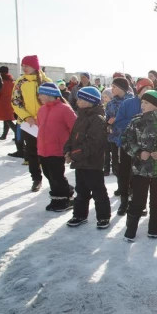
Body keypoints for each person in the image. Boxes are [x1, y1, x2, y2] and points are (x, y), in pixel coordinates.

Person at [121, 90, 157, 242]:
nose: (142, 105)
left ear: (155, 105)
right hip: (140, 170)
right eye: (142, 102)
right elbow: (126, 140)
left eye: (146, 102)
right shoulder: (135, 121)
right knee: (137, 200)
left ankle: (153, 228)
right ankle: (131, 229)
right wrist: (138, 152)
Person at [64, 87, 111, 228]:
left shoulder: (97, 119)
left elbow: (92, 144)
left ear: (90, 102)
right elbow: (72, 137)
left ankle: (103, 217)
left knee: (98, 191)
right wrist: (67, 150)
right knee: (81, 191)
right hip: (80, 162)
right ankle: (79, 215)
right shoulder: (82, 116)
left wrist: (73, 155)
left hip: (92, 163)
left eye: (81, 99)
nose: (77, 101)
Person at [11, 55, 52, 191]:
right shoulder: (20, 82)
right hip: (28, 124)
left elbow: (53, 101)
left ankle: (53, 178)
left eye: (26, 65)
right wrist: (27, 117)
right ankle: (36, 179)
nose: (24, 68)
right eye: (23, 65)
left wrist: (41, 118)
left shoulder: (46, 81)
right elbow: (15, 101)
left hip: (45, 123)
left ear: (35, 66)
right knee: (31, 152)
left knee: (47, 152)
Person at [114, 78, 154, 216]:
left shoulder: (153, 106)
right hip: (126, 145)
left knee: (141, 176)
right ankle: (124, 201)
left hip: (144, 147)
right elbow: (118, 123)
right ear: (139, 89)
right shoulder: (127, 103)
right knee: (124, 174)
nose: (148, 93)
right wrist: (135, 121)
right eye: (145, 89)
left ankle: (140, 203)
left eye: (150, 90)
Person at [36, 83, 77, 212]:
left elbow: (75, 129)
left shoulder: (64, 109)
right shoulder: (42, 109)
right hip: (43, 149)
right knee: (48, 174)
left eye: (41, 94)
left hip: (58, 150)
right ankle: (57, 198)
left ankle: (66, 199)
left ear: (50, 95)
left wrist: (70, 148)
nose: (39, 96)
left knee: (57, 176)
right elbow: (40, 126)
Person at [105, 77, 131, 179]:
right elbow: (107, 118)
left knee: (127, 163)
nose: (112, 89)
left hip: (127, 137)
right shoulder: (111, 103)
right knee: (116, 163)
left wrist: (117, 118)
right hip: (114, 137)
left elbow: (134, 118)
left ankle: (129, 186)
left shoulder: (131, 101)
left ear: (121, 88)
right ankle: (120, 186)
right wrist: (108, 122)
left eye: (114, 87)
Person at [0, 66, 16, 141]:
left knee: (7, 119)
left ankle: (16, 133)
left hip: (2, 103)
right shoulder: (11, 81)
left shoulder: (1, 82)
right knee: (7, 119)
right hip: (10, 102)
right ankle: (4, 135)